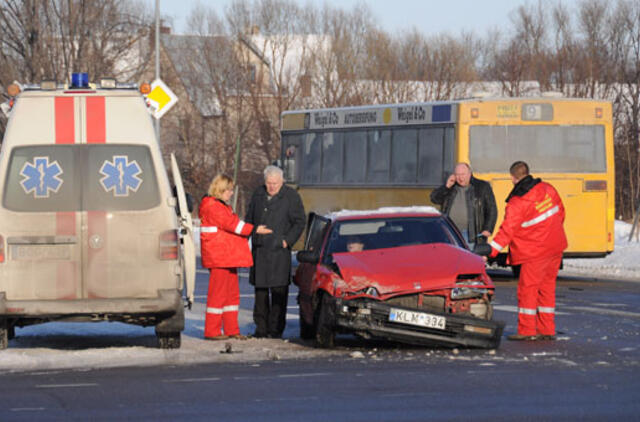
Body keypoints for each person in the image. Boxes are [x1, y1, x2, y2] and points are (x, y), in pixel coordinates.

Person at [488, 161, 567, 341]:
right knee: (547, 288)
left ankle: (527, 330)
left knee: (528, 290)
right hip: (555, 247)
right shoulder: (548, 189)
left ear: (513, 178)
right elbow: (560, 212)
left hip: (534, 252)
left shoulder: (518, 202)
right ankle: (547, 329)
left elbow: (507, 231)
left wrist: (491, 251)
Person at [199, 174, 272, 340]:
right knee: (217, 294)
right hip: (220, 257)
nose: (231, 193)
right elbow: (232, 225)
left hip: (227, 257)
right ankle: (212, 330)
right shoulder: (212, 206)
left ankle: (232, 329)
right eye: (229, 190)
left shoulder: (219, 205)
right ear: (220, 190)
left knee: (231, 295)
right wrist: (254, 229)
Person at [245, 165, 305, 339]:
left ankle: (276, 328)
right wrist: (254, 230)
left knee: (279, 292)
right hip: (260, 250)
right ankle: (261, 328)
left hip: (279, 252)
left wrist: (287, 241)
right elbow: (249, 219)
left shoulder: (291, 196)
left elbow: (300, 221)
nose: (272, 187)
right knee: (260, 293)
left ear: (282, 181)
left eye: (275, 183)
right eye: (269, 183)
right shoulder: (258, 194)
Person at [430, 162, 497, 247]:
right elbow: (434, 199)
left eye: (463, 174)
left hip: (471, 234)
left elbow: (492, 209)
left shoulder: (482, 187)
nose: (460, 178)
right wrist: (446, 186)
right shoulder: (451, 187)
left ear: (469, 174)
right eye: (457, 175)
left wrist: (487, 229)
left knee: (468, 258)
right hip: (451, 232)